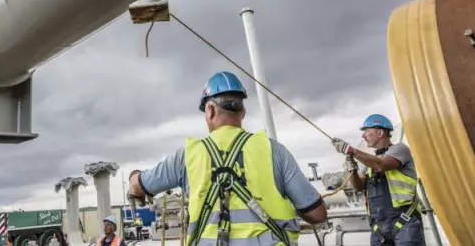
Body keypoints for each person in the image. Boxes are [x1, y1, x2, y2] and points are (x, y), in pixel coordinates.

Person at [126, 71, 328, 246]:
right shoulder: (273, 151)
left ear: (210, 110)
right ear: (243, 111)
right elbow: (317, 215)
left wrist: (134, 176)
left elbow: (138, 186)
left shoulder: (187, 156)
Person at [331, 114, 425, 246]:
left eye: (367, 131)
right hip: (378, 228)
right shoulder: (369, 162)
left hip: (405, 223)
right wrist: (352, 170)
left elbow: (381, 165)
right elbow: (358, 186)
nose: (363, 136)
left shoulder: (400, 150)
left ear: (380, 132)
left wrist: (351, 150)